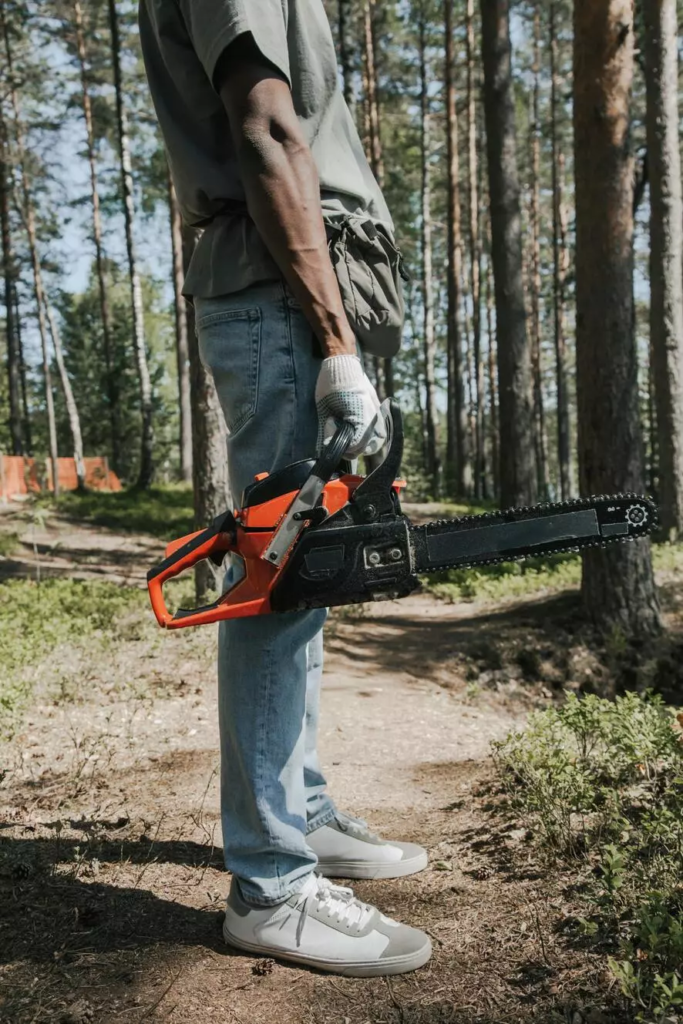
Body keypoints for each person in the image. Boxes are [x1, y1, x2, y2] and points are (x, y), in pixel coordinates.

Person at [139, 0, 432, 976]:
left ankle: (297, 809)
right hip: (275, 285)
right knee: (275, 578)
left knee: (300, 575)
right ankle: (270, 883)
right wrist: (337, 345)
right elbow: (264, 123)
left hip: (284, 282)